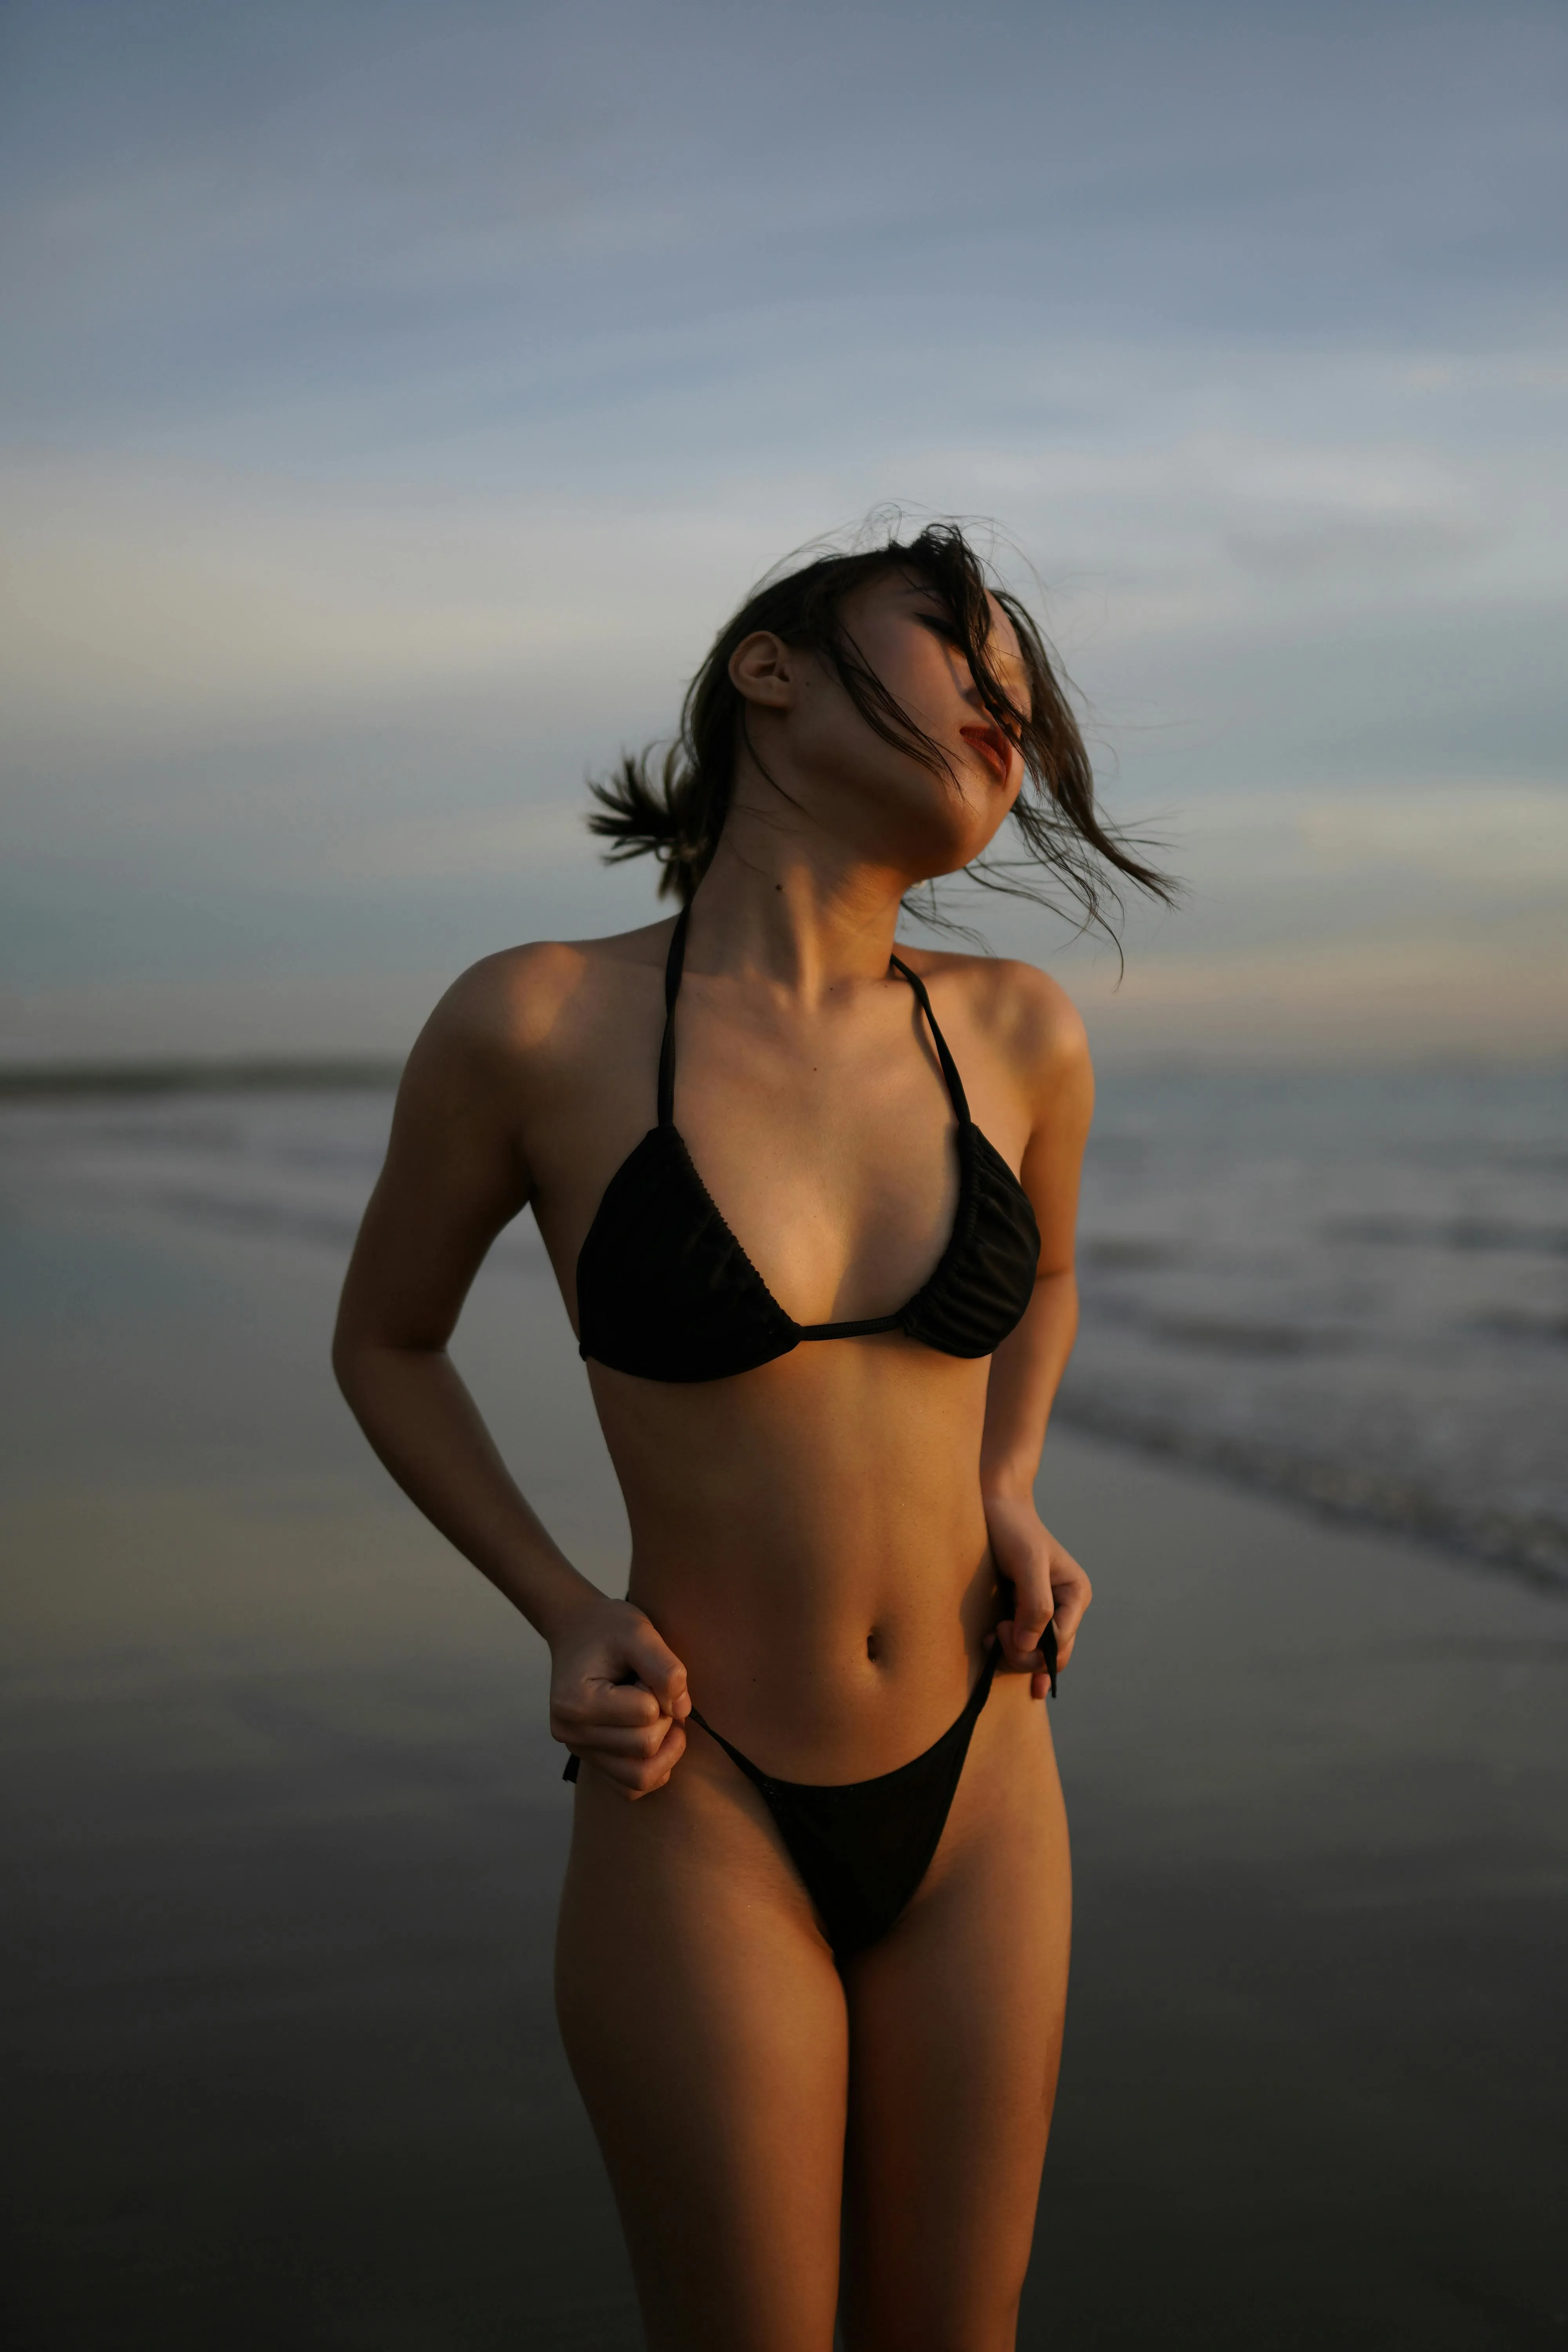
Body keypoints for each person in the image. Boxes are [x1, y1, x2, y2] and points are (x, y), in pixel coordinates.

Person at [333, 522, 1169, 2351]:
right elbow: (387, 1342)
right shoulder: (538, 1021)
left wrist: (1007, 1484)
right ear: (768, 670)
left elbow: (1045, 1281)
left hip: (985, 1774)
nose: (1003, 715)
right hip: (700, 1785)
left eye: (1022, 705)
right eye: (960, 653)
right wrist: (562, 1608)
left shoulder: (1015, 1033)